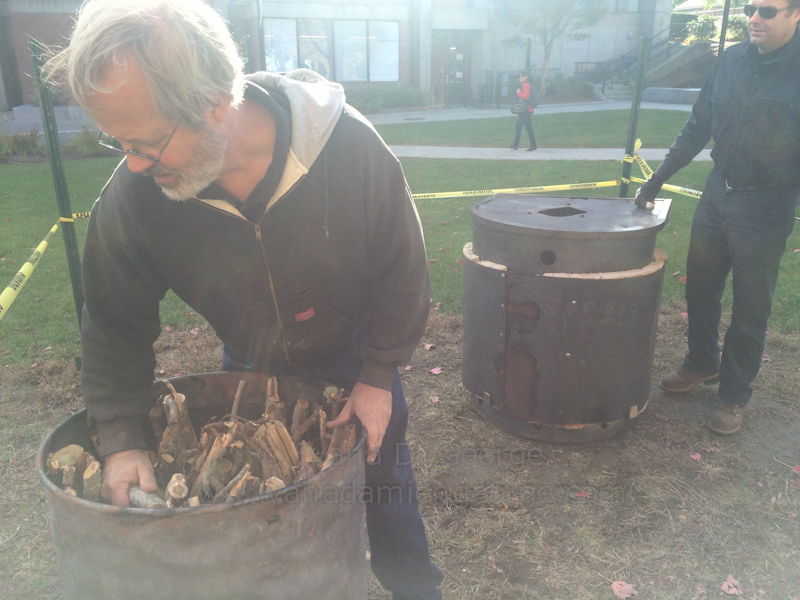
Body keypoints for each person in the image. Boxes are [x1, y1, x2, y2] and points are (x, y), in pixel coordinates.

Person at [46, 0, 444, 597]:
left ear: (214, 104)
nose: (133, 163)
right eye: (119, 143)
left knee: (386, 490)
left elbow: (403, 269)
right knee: (262, 522)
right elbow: (112, 324)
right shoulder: (135, 196)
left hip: (356, 355)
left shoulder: (348, 150)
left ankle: (417, 588)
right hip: (250, 365)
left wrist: (379, 374)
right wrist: (123, 436)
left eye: (148, 143)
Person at [636, 0, 800, 435]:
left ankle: (733, 396)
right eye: (750, 8)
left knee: (751, 305)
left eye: (767, 9)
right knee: (702, 289)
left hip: (767, 206)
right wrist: (657, 179)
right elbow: (698, 126)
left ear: (796, 14)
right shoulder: (730, 60)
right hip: (717, 193)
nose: (755, 18)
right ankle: (702, 363)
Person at [509, 72, 538, 151]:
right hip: (524, 110)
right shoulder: (524, 85)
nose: (520, 77)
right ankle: (515, 144)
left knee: (528, 128)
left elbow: (526, 96)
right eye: (520, 76)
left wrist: (518, 92)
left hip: (527, 110)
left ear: (526, 77)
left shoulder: (526, 85)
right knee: (518, 126)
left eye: (522, 76)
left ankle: (533, 145)